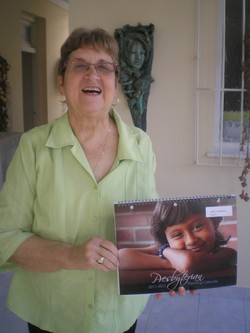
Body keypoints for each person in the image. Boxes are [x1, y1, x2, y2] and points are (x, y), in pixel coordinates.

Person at [0, 27, 193, 333]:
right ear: (61, 82)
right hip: (52, 312)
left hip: (116, 310)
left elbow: (150, 227)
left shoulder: (141, 144)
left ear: (115, 86)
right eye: (80, 65)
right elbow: (6, 238)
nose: (93, 74)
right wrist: (70, 255)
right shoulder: (33, 147)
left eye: (104, 67)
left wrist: (170, 267)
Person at [119, 200, 237, 274]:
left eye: (197, 227)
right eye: (177, 235)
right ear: (166, 239)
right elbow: (121, 257)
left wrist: (166, 252)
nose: (191, 240)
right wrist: (170, 261)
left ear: (215, 222)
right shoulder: (164, 249)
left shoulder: (227, 254)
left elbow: (189, 263)